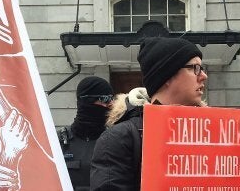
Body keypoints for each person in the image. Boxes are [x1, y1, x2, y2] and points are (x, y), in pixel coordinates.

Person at [90, 37, 206, 190]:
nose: (204, 75)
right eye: (195, 68)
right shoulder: (119, 139)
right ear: (167, 75)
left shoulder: (210, 134)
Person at [58, 76, 113, 190]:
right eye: (105, 99)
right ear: (86, 101)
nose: (110, 104)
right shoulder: (57, 142)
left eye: (112, 99)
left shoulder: (114, 141)